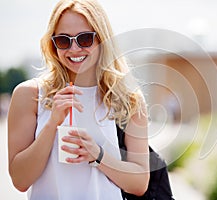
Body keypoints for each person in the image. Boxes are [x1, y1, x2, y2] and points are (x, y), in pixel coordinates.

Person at [7, 0, 149, 199]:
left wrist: (97, 155)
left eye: (84, 39)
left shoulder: (128, 99)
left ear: (102, 39)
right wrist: (52, 124)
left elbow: (140, 183)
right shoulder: (30, 95)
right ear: (52, 44)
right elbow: (20, 180)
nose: (74, 49)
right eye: (64, 40)